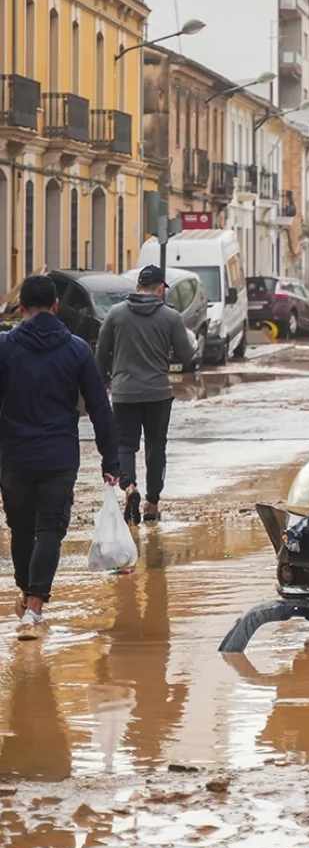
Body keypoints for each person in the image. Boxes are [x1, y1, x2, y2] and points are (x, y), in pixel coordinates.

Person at [0, 274, 120, 640]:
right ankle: (33, 604)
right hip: (58, 458)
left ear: (21, 308)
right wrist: (110, 460)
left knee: (20, 527)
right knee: (49, 530)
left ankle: (29, 595)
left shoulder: (4, 347)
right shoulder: (77, 349)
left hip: (13, 457)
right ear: (56, 306)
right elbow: (100, 407)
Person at [97, 265, 195, 525]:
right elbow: (187, 355)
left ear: (137, 287)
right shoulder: (171, 317)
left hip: (124, 392)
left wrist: (105, 379)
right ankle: (152, 502)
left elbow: (101, 352)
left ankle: (129, 488)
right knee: (156, 447)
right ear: (161, 288)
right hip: (158, 393)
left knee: (125, 445)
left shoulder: (116, 315)